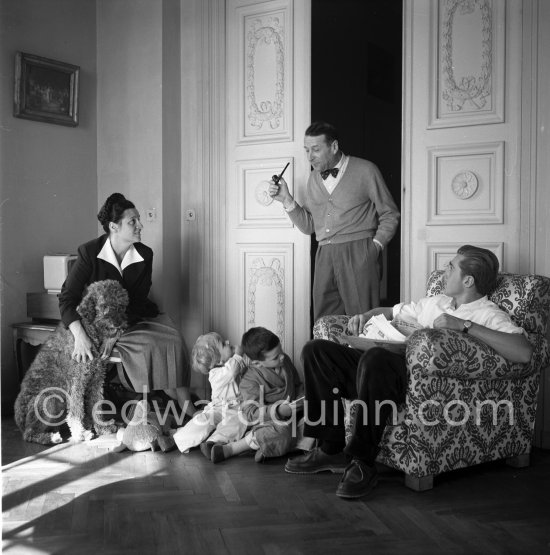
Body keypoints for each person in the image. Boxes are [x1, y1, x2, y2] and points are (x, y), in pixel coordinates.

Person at [285, 245, 533, 499]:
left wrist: (464, 326)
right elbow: (391, 312)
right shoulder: (435, 301)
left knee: (376, 358)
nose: (444, 271)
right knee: (316, 351)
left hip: (414, 386)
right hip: (378, 372)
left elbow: (523, 352)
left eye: (451, 266)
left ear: (468, 280)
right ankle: (330, 447)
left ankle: (362, 462)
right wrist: (365, 316)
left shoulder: (488, 314)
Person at [58, 192, 196, 417]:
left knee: (174, 338)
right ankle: (158, 400)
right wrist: (79, 335)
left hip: (133, 317)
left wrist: (118, 331)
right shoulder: (89, 252)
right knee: (148, 346)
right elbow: (67, 298)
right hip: (99, 323)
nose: (140, 225)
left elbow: (138, 301)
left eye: (138, 219)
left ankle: (184, 403)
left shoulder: (144, 254)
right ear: (114, 227)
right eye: (133, 221)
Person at [268, 121, 400, 321]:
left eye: (316, 149)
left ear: (334, 147)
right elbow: (309, 226)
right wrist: (287, 199)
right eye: (306, 150)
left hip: (359, 252)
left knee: (363, 320)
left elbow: (389, 213)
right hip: (325, 255)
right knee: (326, 321)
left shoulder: (366, 170)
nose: (310, 156)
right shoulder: (313, 178)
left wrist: (374, 247)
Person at [208, 327, 313, 464]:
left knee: (316, 417)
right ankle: (234, 448)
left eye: (281, 351)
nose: (282, 356)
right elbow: (251, 413)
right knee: (283, 432)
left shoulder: (284, 360)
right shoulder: (249, 380)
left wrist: (302, 398)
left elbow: (297, 385)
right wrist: (278, 410)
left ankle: (270, 447)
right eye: (276, 357)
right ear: (257, 363)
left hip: (294, 414)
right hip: (271, 422)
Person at [173, 332, 248, 456]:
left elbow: (240, 371)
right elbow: (231, 371)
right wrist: (238, 355)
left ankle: (213, 443)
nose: (228, 343)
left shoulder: (231, 364)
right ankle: (179, 437)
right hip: (218, 408)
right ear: (217, 360)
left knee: (237, 423)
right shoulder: (215, 374)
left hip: (236, 408)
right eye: (223, 344)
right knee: (204, 420)